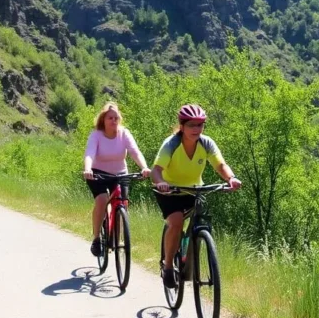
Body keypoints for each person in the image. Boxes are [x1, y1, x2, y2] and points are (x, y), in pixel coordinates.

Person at [151, 104, 241, 289]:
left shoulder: (206, 143)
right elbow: (156, 170)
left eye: (200, 125)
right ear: (182, 126)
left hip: (194, 190)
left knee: (199, 221)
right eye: (191, 125)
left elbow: (220, 165)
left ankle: (192, 250)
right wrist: (161, 182)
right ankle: (168, 266)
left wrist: (231, 178)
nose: (196, 129)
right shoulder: (171, 144)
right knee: (176, 222)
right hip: (170, 191)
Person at [82, 102, 150, 257]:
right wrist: (88, 169)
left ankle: (117, 237)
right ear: (103, 120)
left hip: (120, 174)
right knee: (102, 200)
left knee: (122, 203)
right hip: (97, 173)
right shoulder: (96, 135)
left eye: (116, 118)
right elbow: (90, 153)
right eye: (110, 118)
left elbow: (134, 151)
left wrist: (144, 167)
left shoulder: (124, 133)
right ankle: (96, 238)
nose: (113, 120)